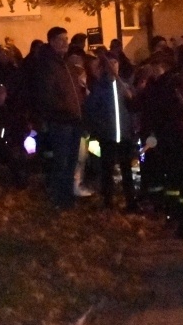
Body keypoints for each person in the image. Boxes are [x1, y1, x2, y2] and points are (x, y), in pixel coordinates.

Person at [32, 25, 85, 207]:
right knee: (61, 161)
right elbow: (47, 95)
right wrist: (63, 110)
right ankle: (59, 197)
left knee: (71, 160)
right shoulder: (47, 65)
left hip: (74, 119)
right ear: (52, 42)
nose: (66, 43)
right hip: (61, 121)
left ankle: (67, 196)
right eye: (61, 40)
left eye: (67, 39)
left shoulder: (67, 64)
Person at [84, 52, 137, 210]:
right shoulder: (100, 87)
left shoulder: (125, 86)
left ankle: (131, 202)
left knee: (126, 169)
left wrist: (132, 98)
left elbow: (134, 108)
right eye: (110, 63)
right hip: (108, 135)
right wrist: (101, 127)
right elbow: (92, 109)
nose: (113, 66)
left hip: (125, 135)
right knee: (107, 169)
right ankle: (108, 201)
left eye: (116, 62)